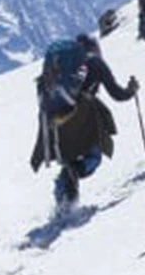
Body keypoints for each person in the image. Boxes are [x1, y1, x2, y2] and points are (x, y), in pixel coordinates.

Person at [30, 34, 139, 210]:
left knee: (68, 161)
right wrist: (131, 90)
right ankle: (73, 183)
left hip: (56, 121)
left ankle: (64, 205)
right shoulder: (95, 63)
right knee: (93, 156)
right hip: (83, 117)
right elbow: (117, 94)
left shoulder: (59, 70)